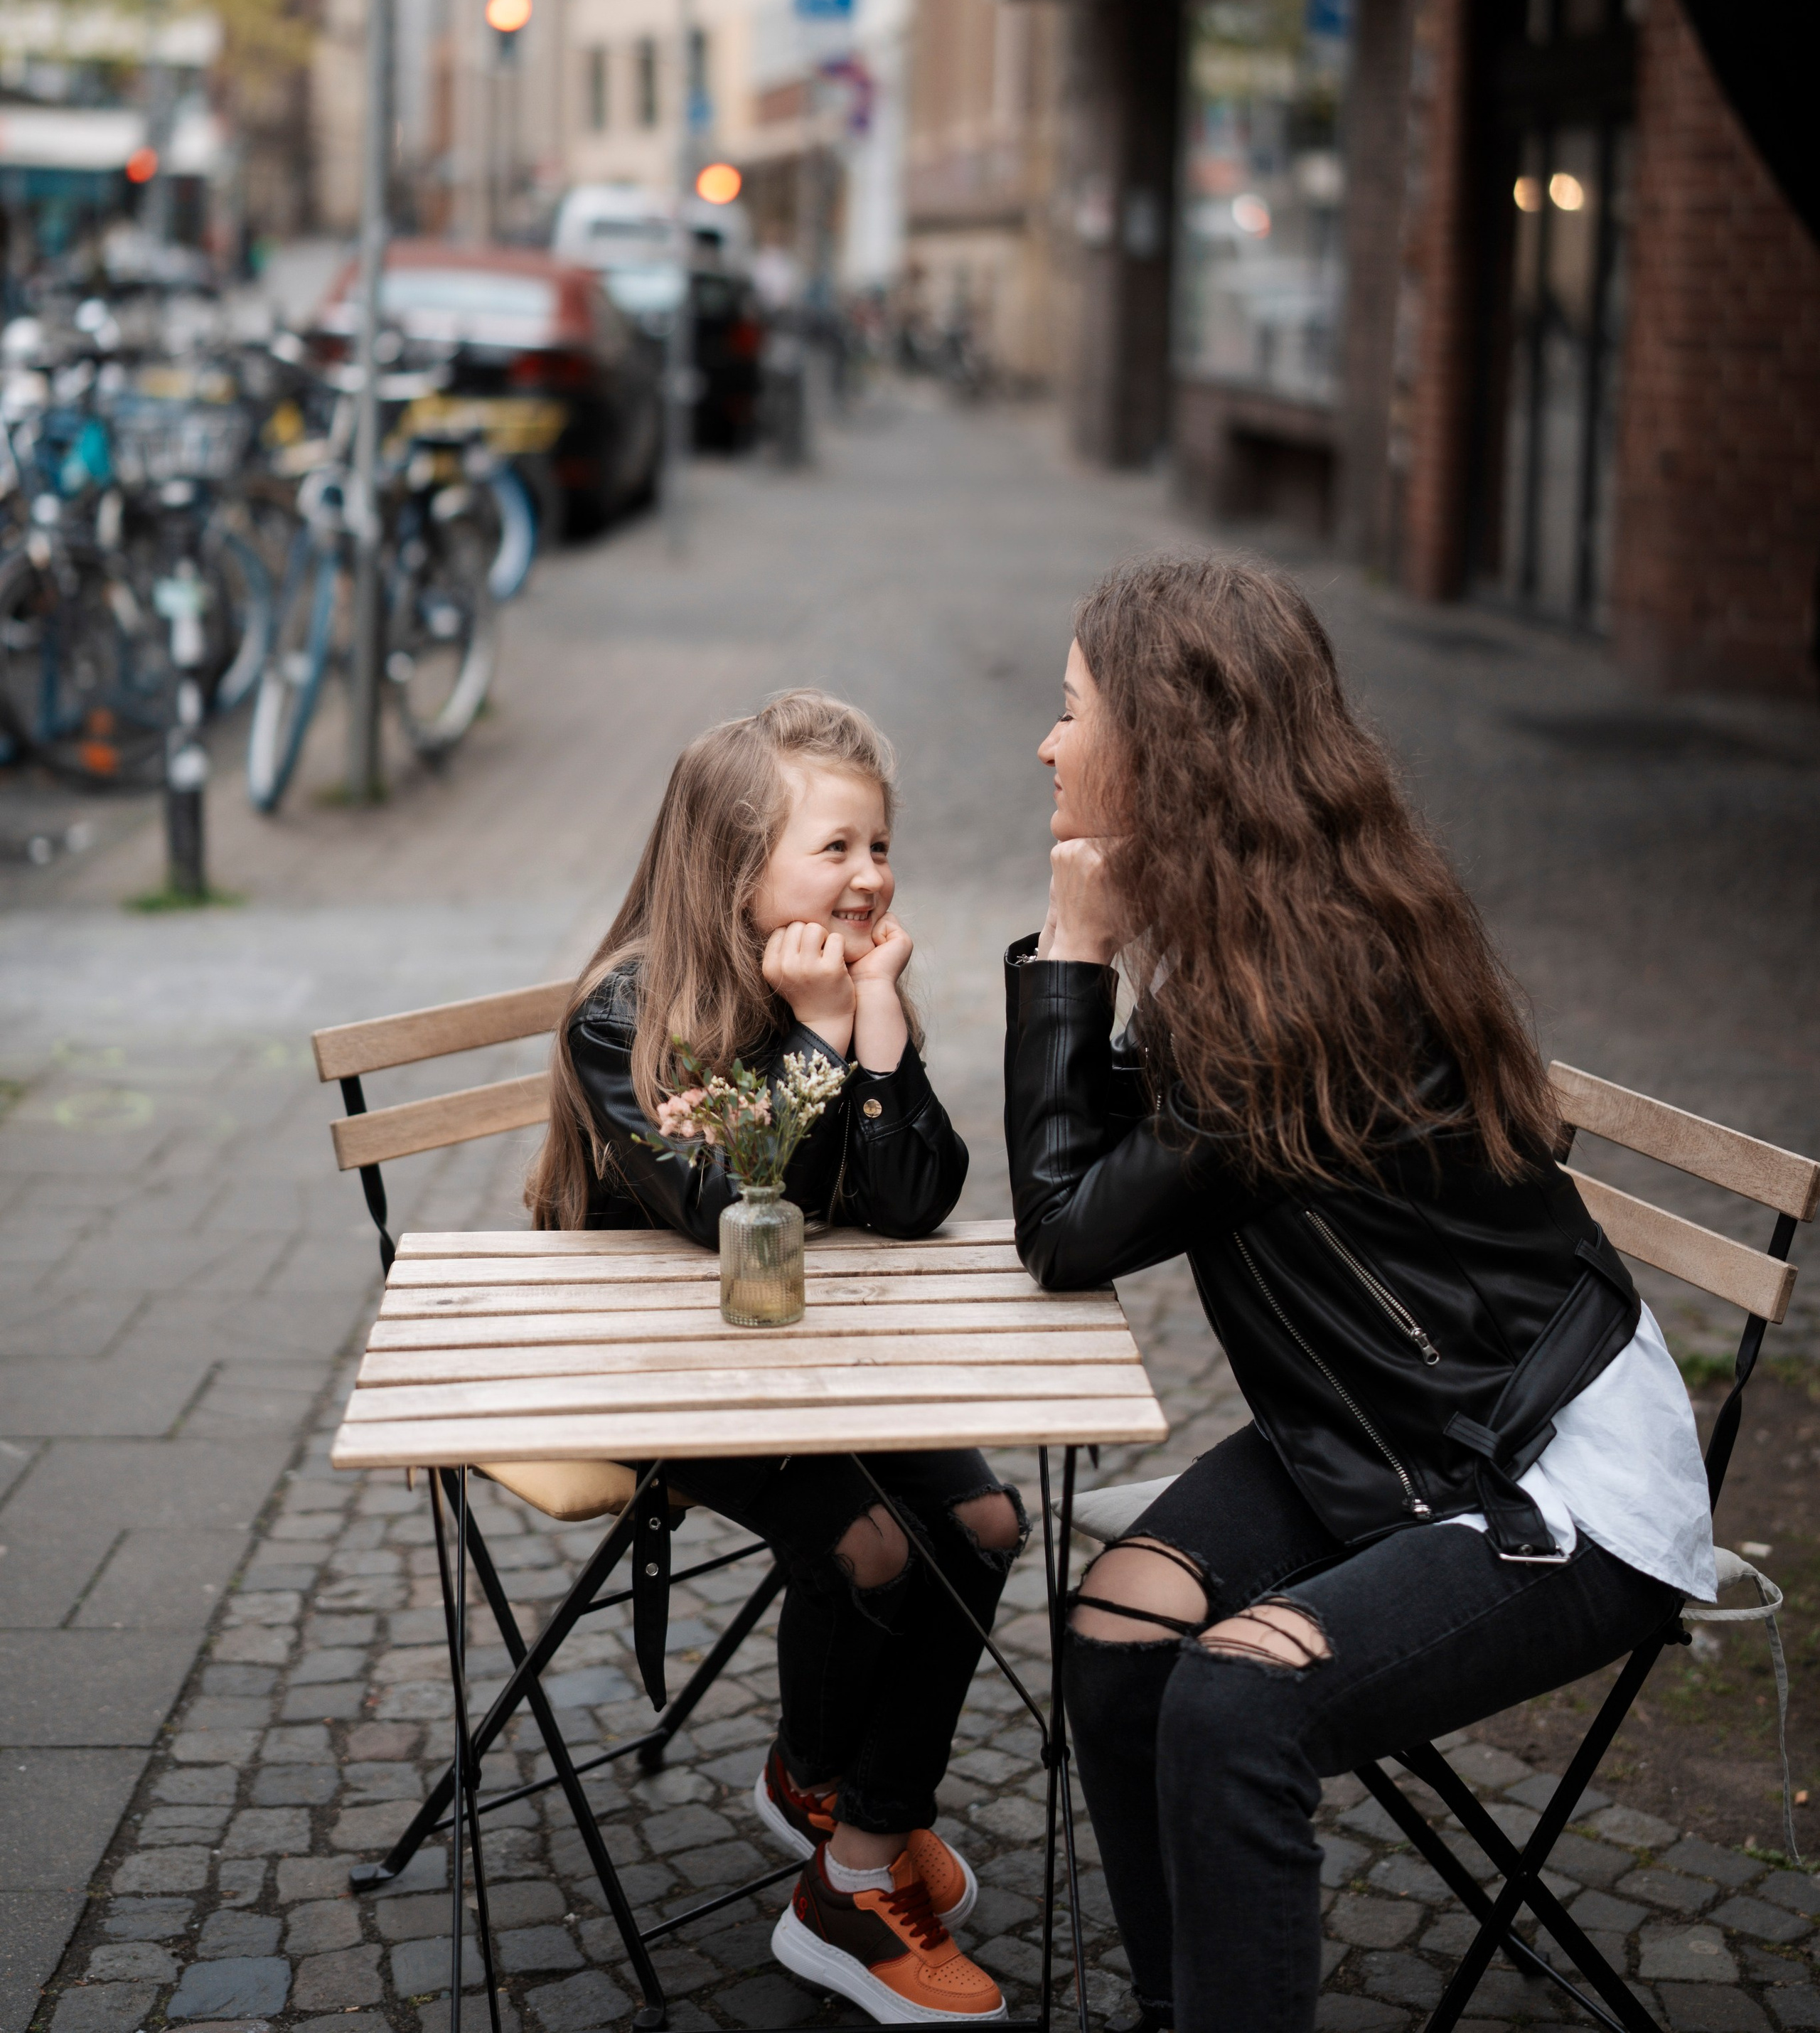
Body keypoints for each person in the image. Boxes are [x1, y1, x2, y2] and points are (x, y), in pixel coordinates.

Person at [1002, 556, 1715, 2033]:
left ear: (1161, 747)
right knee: (1117, 1635)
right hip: (1381, 1429)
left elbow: (1068, 1229)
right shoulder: (1267, 945)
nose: (1045, 746)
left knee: (1232, 1702)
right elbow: (1110, 1170)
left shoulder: (1295, 1000)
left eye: (1070, 713)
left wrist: (1071, 953)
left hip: (1542, 1476)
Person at [528, 689, 1022, 2028]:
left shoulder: (842, 984)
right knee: (870, 1547)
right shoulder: (622, 1019)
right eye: (837, 848)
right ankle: (844, 1840)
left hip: (821, 1360)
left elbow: (915, 1201)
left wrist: (874, 1022)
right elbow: (732, 1216)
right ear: (734, 868)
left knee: (981, 1520)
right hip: (659, 1369)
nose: (870, 876)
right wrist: (810, 1041)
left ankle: (851, 1819)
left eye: (880, 845)